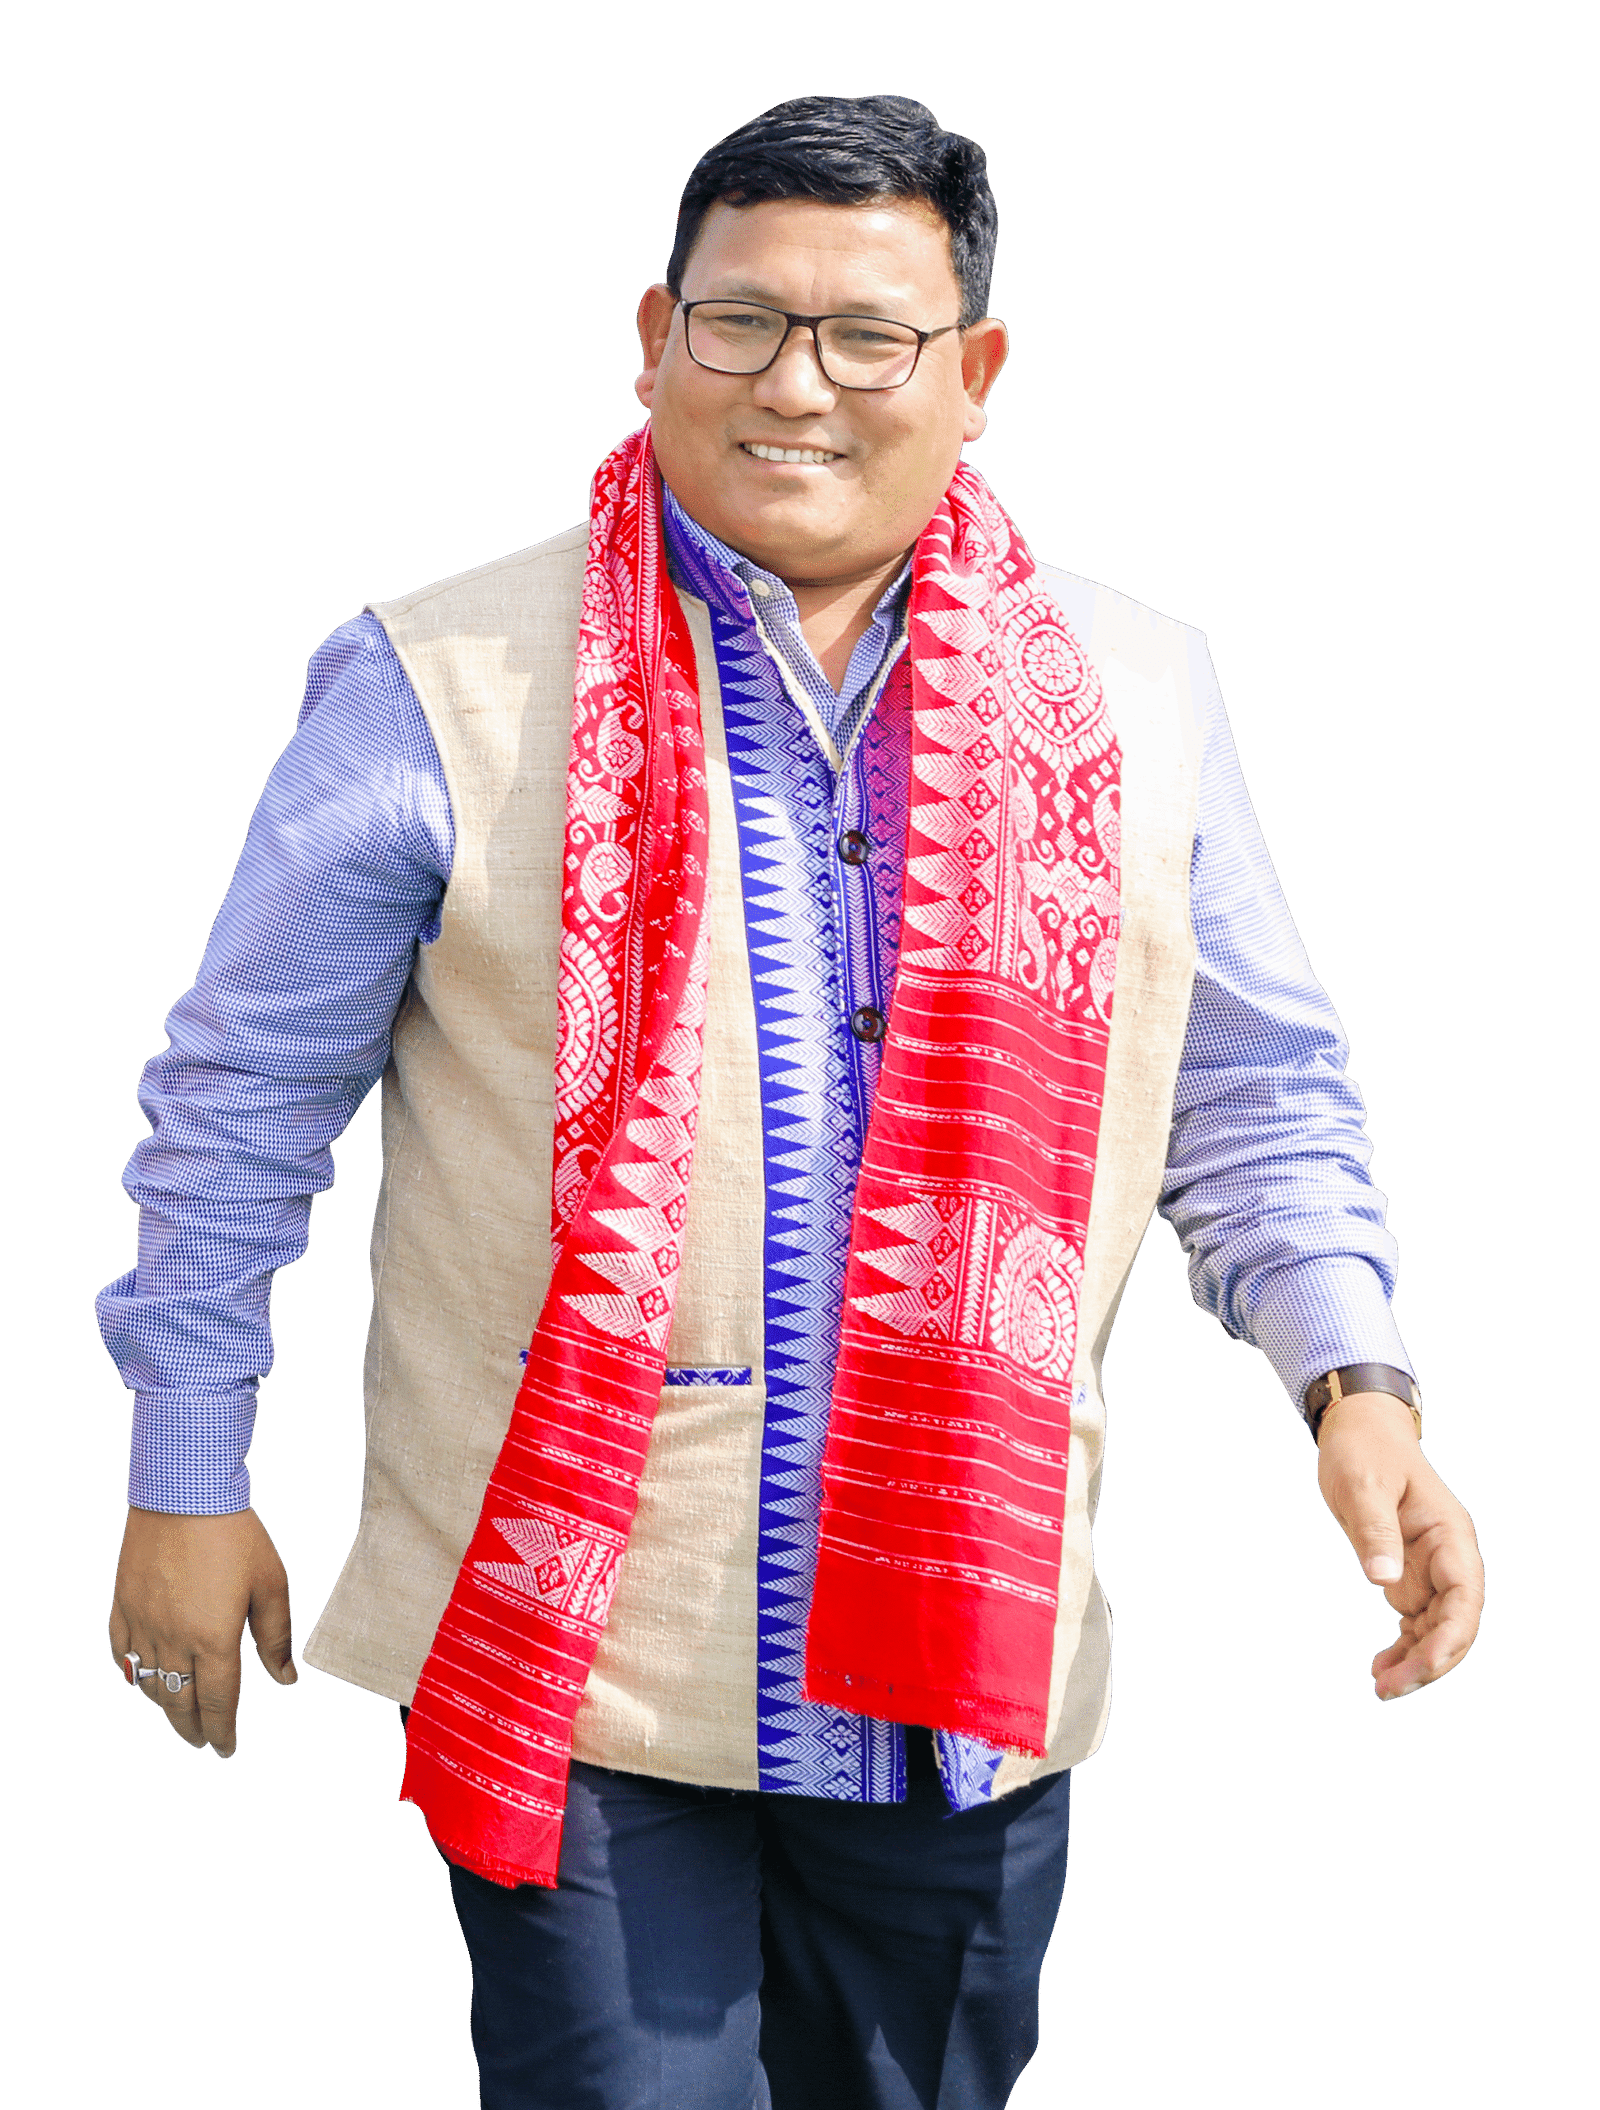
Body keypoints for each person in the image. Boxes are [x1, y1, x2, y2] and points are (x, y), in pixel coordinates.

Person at [99, 95, 1484, 2110]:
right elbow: (237, 1106)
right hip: (576, 1643)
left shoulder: (1137, 693)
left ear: (973, 370)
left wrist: (1356, 1386)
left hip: (971, 1654)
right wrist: (184, 1469)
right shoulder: (437, 677)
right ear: (652, 338)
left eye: (867, 336)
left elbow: (1258, 1094)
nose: (796, 385)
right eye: (741, 323)